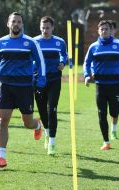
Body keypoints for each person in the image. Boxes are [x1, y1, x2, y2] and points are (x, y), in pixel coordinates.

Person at [0, 12, 46, 168]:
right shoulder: (0, 43)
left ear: (22, 25)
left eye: (19, 22)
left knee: (27, 123)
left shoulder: (30, 43)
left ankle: (37, 126)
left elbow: (40, 62)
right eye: (13, 21)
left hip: (24, 88)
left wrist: (40, 82)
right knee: (3, 120)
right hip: (6, 87)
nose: (16, 24)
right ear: (8, 24)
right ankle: (1, 158)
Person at [83, 20, 119, 150]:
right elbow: (87, 63)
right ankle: (106, 141)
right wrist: (87, 75)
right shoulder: (93, 47)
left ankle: (115, 124)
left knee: (114, 112)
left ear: (110, 31)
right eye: (102, 29)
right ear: (98, 31)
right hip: (100, 86)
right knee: (101, 113)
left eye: (106, 29)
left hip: (116, 85)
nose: (104, 31)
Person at [33, 16, 67, 155]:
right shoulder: (34, 42)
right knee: (42, 111)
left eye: (47, 27)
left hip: (54, 79)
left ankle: (52, 142)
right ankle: (46, 132)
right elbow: (30, 58)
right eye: (43, 27)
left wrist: (62, 62)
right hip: (39, 80)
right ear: (40, 27)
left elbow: (64, 55)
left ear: (53, 28)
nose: (45, 30)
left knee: (52, 109)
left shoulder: (59, 42)